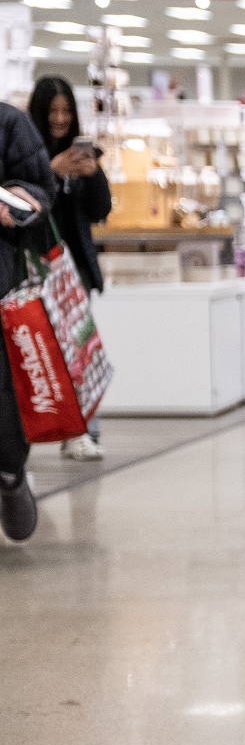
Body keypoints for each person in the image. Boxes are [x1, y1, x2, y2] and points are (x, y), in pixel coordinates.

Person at [28, 76, 112, 461]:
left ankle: (83, 430)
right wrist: (51, 169)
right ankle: (28, 437)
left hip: (75, 271)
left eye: (66, 111)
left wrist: (92, 175)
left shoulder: (84, 156)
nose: (60, 119)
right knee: (37, 355)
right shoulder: (28, 154)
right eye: (53, 112)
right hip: (35, 270)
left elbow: (101, 212)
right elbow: (22, 202)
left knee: (82, 351)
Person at [0, 101, 53, 543]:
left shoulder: (8, 123)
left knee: (4, 399)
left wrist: (18, 202)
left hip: (1, 288)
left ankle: (10, 474)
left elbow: (39, 186)